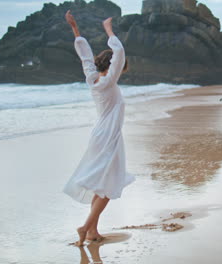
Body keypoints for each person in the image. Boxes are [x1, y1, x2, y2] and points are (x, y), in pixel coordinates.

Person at [62, 10, 135, 247]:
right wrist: (109, 31)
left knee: (104, 183)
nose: (120, 72)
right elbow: (120, 53)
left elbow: (85, 56)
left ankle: (93, 231)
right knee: (109, 185)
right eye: (119, 69)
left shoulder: (92, 79)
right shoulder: (107, 81)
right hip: (109, 138)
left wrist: (75, 29)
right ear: (113, 67)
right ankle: (85, 227)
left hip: (100, 136)